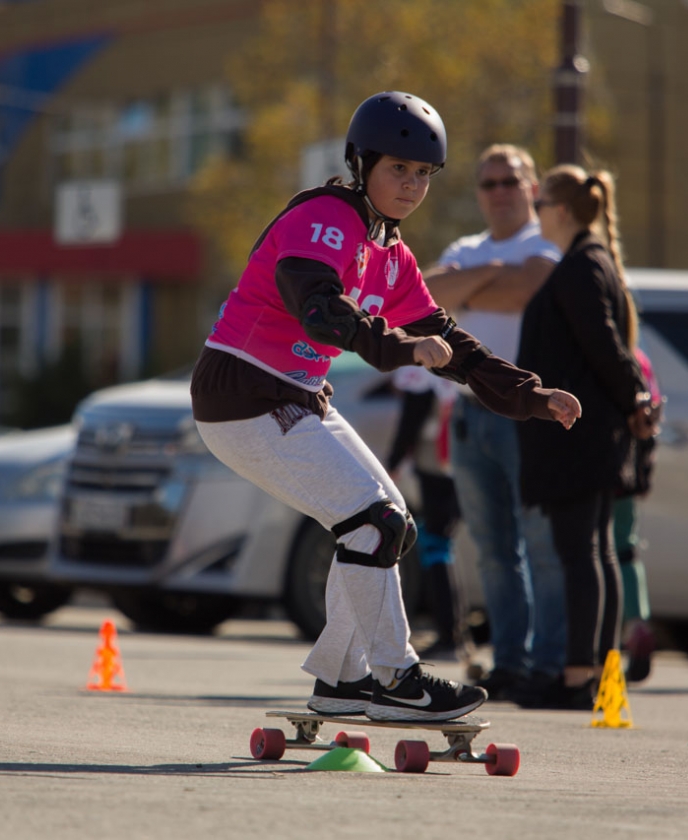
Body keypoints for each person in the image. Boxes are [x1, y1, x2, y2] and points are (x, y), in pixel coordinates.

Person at [189, 91, 581, 722]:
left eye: (424, 174)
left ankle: (342, 681)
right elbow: (318, 309)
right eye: (399, 168)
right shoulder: (326, 216)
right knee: (371, 521)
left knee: (388, 520)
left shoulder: (391, 254)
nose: (412, 184)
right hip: (242, 393)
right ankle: (397, 678)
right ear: (362, 162)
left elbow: (452, 342)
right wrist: (398, 346)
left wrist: (529, 394)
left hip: (291, 396)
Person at [511, 165, 656, 710]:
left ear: (564, 210)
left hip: (580, 435)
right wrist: (633, 403)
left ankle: (578, 676)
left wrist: (634, 401)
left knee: (583, 554)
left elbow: (603, 345)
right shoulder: (591, 261)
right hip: (590, 433)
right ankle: (595, 675)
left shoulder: (580, 267)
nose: (535, 211)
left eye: (540, 202)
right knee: (596, 551)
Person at [423, 144, 563, 699]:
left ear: (532, 187)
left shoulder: (546, 242)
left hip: (529, 411)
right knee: (492, 550)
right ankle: (508, 665)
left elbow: (525, 291)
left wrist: (473, 281)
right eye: (489, 183)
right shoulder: (466, 246)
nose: (500, 192)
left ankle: (547, 667)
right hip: (469, 412)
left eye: (511, 181)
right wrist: (495, 272)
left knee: (541, 543)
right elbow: (428, 296)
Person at [384, 364, 470, 664]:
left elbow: (412, 418)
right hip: (460, 463)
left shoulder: (420, 363)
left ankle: (449, 635)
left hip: (436, 466)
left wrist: (391, 464)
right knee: (444, 547)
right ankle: (455, 633)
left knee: (436, 547)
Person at [614, 346, 662, 684]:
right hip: (629, 465)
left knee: (587, 554)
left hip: (597, 462)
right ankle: (638, 623)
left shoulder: (599, 349)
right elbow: (653, 414)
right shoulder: (639, 357)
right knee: (626, 550)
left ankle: (597, 643)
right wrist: (644, 470)